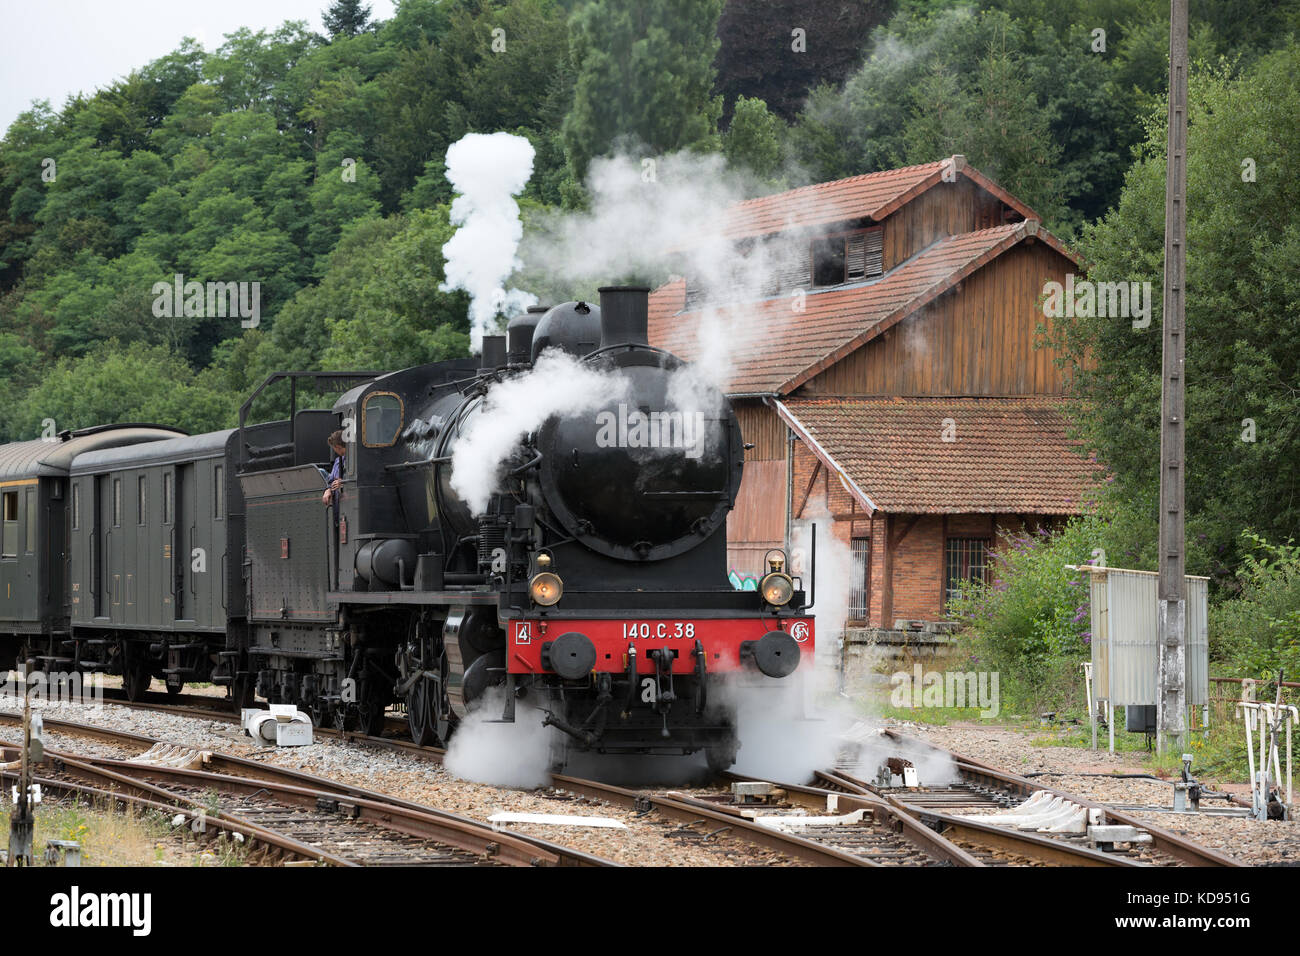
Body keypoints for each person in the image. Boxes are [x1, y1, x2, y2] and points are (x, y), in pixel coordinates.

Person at [322, 430, 346, 507]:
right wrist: (328, 490)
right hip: (337, 503)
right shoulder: (337, 461)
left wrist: (344, 483)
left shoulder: (355, 459)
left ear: (337, 447)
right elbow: (331, 480)